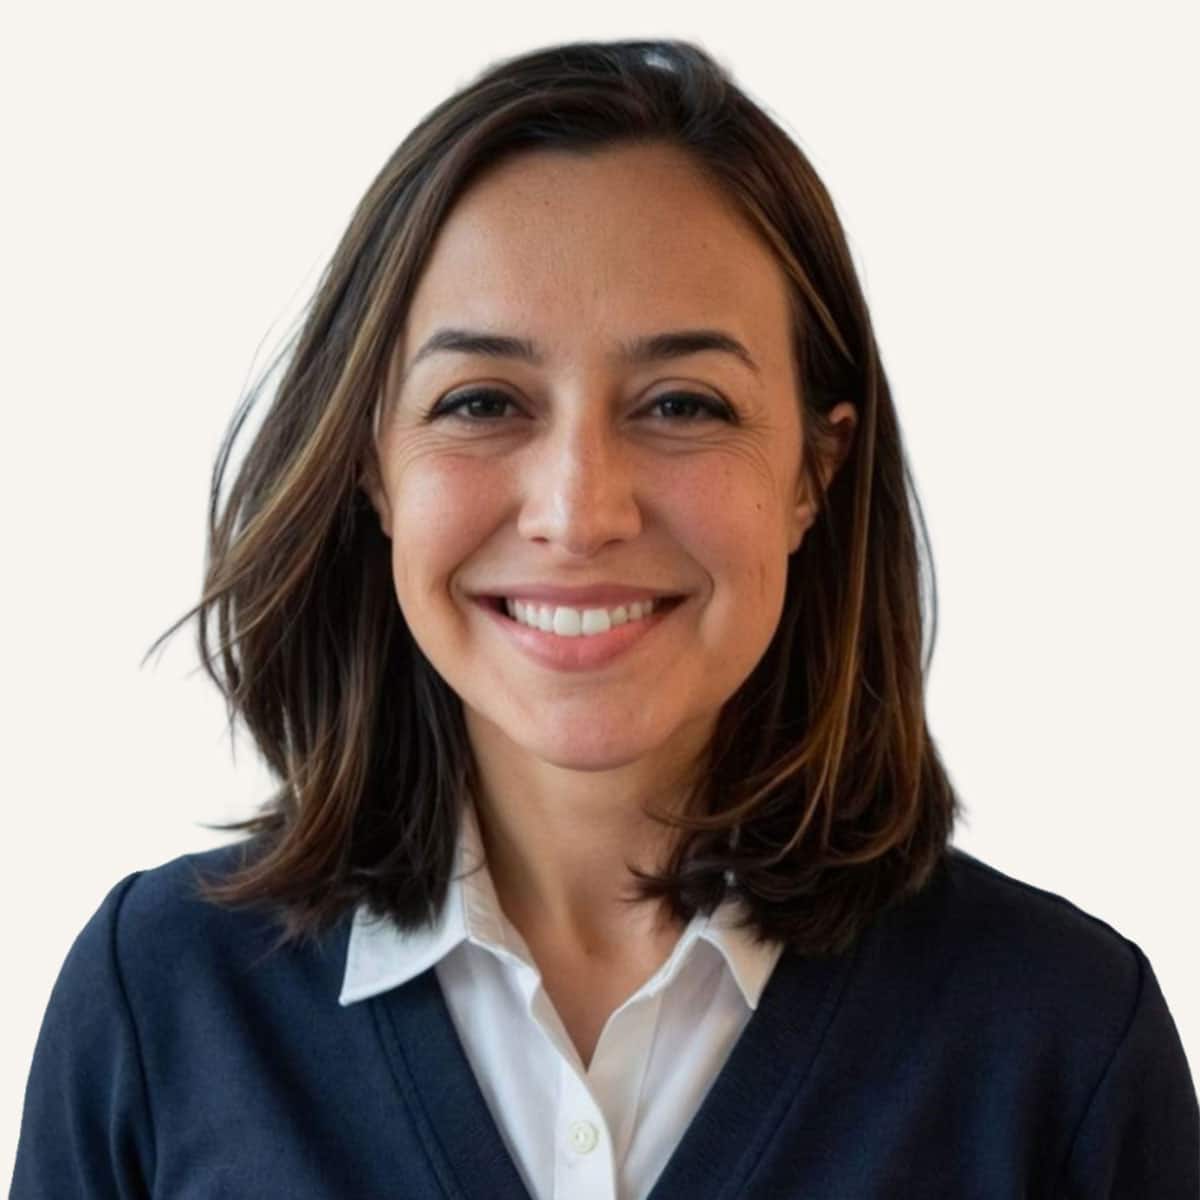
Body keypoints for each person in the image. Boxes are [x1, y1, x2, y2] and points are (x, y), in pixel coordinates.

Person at [10, 37, 1198, 1200]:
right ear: (371, 464)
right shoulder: (160, 1003)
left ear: (814, 473)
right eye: (481, 401)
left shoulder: (1065, 1043)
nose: (578, 511)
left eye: (682, 402)